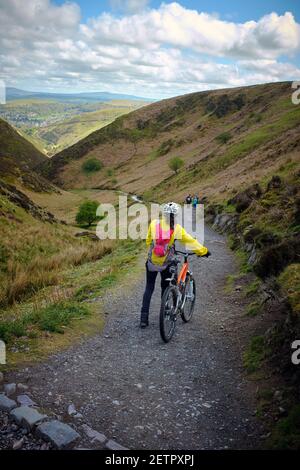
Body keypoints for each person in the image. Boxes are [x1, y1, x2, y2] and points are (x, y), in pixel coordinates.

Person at [140, 202, 210, 328]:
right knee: (165, 286)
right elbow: (191, 242)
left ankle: (143, 319)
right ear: (176, 215)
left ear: (164, 213)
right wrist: (204, 251)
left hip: (151, 262)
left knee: (149, 288)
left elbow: (148, 241)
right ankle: (165, 311)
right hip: (167, 263)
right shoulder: (177, 229)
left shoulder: (154, 224)